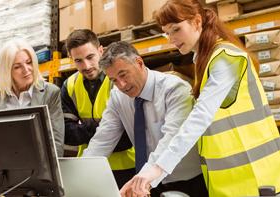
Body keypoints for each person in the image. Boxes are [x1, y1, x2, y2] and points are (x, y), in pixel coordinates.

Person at [120, 0, 280, 196]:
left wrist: (157, 169)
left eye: (176, 29)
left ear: (196, 22)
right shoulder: (204, 60)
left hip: (256, 178)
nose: (171, 38)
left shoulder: (225, 58)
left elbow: (200, 117)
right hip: (230, 181)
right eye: (167, 32)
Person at [83, 41, 208, 197]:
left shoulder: (174, 89)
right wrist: (81, 175)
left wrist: (146, 177)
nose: (121, 85)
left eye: (123, 75)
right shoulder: (118, 96)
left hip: (186, 180)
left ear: (139, 63)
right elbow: (103, 139)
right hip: (147, 183)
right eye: (114, 80)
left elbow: (171, 139)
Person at [60, 29, 136, 188]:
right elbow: (66, 134)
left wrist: (83, 130)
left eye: (90, 57)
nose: (86, 66)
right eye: (78, 60)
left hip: (127, 167)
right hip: (90, 166)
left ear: (101, 51)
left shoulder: (118, 81)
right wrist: (105, 129)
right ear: (71, 59)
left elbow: (127, 136)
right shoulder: (70, 86)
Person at [0, 38, 64, 156]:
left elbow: (56, 142)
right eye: (17, 67)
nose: (26, 70)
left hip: (38, 165)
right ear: (7, 71)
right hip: (2, 164)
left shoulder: (51, 93)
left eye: (29, 62)